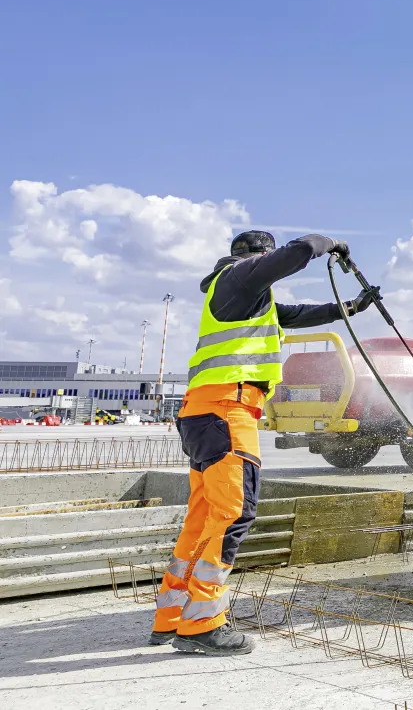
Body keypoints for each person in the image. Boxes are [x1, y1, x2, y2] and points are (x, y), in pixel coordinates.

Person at [150, 230, 379, 656]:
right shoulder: (240, 279)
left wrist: (349, 308)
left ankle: (172, 616)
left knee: (205, 518)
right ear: (259, 256)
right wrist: (329, 242)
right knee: (234, 513)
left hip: (207, 414)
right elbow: (295, 254)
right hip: (226, 410)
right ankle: (202, 624)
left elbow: (299, 314)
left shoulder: (250, 301)